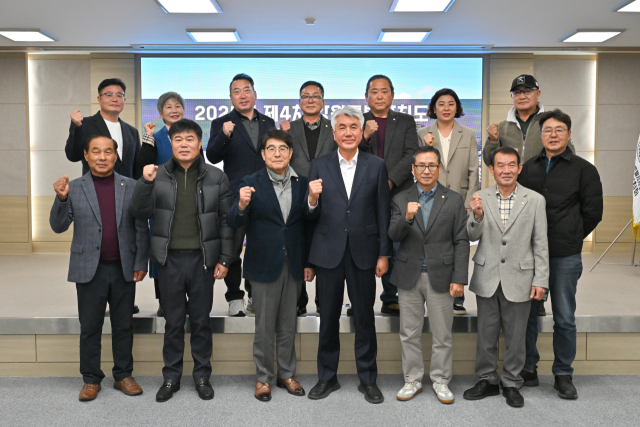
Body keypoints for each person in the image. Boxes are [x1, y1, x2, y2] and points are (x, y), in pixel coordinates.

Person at [129, 119, 234, 402]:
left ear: (200, 143)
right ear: (171, 143)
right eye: (178, 139)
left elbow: (226, 221)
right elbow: (138, 211)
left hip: (203, 261)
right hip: (169, 261)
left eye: (190, 139)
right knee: (173, 323)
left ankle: (202, 376)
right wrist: (144, 182)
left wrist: (225, 259)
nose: (184, 144)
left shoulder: (217, 177)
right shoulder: (157, 175)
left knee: (201, 322)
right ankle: (171, 377)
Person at [50, 135, 149, 402]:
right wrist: (61, 199)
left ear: (116, 156)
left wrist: (141, 262)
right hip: (88, 269)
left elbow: (140, 226)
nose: (102, 157)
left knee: (123, 325)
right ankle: (91, 379)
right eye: (96, 151)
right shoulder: (74, 187)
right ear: (86, 155)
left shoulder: (131, 185)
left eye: (108, 152)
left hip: (123, 267)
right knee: (90, 327)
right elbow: (58, 226)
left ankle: (123, 375)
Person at [305, 106, 391, 404]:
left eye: (354, 127)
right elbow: (310, 216)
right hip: (328, 253)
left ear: (361, 130)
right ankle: (327, 377)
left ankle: (368, 379)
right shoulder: (319, 164)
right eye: (342, 127)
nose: (348, 132)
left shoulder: (376, 165)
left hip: (364, 253)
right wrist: (311, 199)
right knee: (327, 319)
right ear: (334, 132)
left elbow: (382, 212)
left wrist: (383, 253)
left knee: (365, 319)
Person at [518, 109, 603, 400]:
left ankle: (563, 374)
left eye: (559, 130)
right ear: (540, 135)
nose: (553, 135)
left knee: (564, 317)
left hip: (564, 255)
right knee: (528, 316)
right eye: (547, 130)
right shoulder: (528, 168)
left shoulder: (584, 169)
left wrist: (572, 235)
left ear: (568, 134)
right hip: (530, 255)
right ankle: (528, 368)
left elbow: (593, 212)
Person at [227, 129, 313, 402]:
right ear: (263, 154)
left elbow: (308, 226)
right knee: (264, 327)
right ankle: (263, 378)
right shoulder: (250, 182)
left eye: (282, 149)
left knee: (288, 324)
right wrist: (241, 204)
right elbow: (233, 221)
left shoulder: (303, 183)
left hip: (294, 264)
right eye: (271, 149)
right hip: (264, 265)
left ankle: (286, 374)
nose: (277, 154)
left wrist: (308, 263)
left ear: (290, 153)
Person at [463, 147, 548, 408]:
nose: (506, 170)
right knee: (486, 334)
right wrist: (476, 216)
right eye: (500, 165)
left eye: (512, 165)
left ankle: (511, 382)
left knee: (516, 336)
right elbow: (471, 235)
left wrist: (541, 280)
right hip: (487, 275)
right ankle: (487, 380)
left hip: (520, 277)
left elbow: (540, 243)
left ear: (519, 168)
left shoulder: (535, 200)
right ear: (491, 169)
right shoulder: (480, 197)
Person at [389, 145, 469, 403]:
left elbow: (461, 240)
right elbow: (393, 234)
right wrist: (407, 218)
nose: (426, 170)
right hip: (408, 275)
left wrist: (459, 277)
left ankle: (441, 380)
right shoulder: (401, 198)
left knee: (442, 334)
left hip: (442, 276)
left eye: (431, 165)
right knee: (409, 333)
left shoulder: (453, 199)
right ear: (413, 169)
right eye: (421, 166)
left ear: (439, 168)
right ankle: (412, 379)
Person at [65, 77, 142, 313]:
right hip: (95, 194)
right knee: (99, 244)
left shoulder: (131, 131)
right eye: (109, 94)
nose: (114, 98)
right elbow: (73, 154)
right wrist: (74, 127)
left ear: (125, 100)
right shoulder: (86, 124)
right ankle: (97, 298)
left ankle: (122, 298)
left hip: (125, 197)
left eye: (119, 95)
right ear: (99, 99)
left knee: (124, 244)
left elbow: (136, 168)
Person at [206, 73, 276, 317]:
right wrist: (224, 136)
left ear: (255, 94)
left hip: (265, 194)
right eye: (237, 91)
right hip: (235, 196)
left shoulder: (269, 122)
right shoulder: (221, 122)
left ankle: (255, 294)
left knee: (259, 248)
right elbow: (212, 155)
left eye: (247, 90)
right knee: (233, 248)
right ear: (230, 97)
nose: (242, 95)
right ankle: (234, 296)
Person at [360, 75, 419, 316]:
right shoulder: (358, 121)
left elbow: (411, 153)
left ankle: (391, 296)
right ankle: (361, 299)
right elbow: (347, 150)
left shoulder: (405, 121)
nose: (379, 96)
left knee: (396, 244)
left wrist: (389, 179)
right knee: (363, 245)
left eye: (384, 91)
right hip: (363, 192)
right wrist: (365, 136)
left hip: (398, 191)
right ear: (366, 97)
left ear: (392, 95)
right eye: (374, 91)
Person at [418, 88, 480, 315]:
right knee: (434, 244)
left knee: (458, 245)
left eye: (451, 103)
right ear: (433, 108)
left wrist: (469, 201)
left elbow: (473, 169)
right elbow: (418, 166)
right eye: (441, 104)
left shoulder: (468, 133)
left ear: (457, 108)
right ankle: (431, 294)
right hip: (431, 197)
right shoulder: (423, 133)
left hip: (459, 199)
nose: (446, 108)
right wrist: (426, 146)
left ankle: (457, 297)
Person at [280, 80, 337, 316]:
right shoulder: (288, 128)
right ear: (299, 101)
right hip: (296, 194)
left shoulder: (334, 128)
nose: (311, 100)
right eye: (306, 96)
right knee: (297, 246)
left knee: (325, 249)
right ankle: (298, 300)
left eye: (316, 96)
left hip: (330, 196)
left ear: (323, 101)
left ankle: (324, 301)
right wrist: (282, 136)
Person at [134, 91, 186, 317]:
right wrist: (148, 137)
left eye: (178, 106)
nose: (174, 110)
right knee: (161, 252)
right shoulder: (154, 136)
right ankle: (164, 300)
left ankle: (185, 298)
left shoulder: (191, 134)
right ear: (160, 113)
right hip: (162, 203)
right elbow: (142, 164)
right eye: (169, 107)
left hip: (188, 203)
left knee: (186, 253)